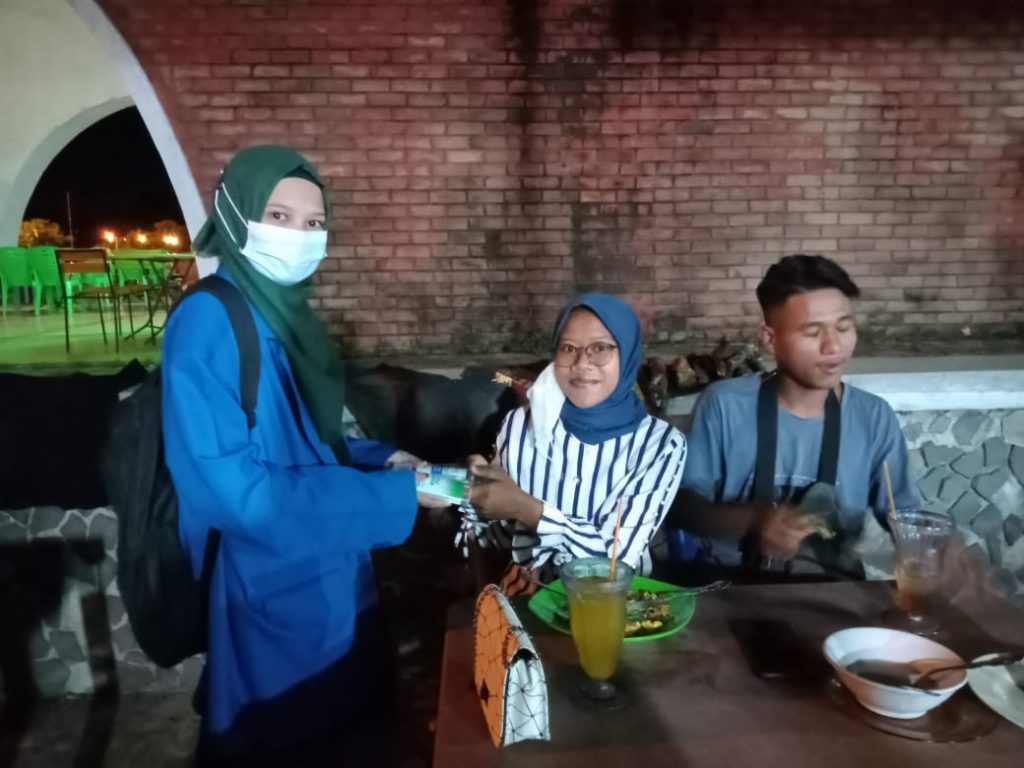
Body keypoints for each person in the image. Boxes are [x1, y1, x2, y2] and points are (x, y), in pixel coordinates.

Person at [161, 145, 441, 765]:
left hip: (334, 571)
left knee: (349, 727)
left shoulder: (286, 318)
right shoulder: (210, 320)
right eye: (279, 216)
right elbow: (236, 495)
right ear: (234, 215)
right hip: (271, 584)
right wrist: (393, 495)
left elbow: (306, 439)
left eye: (314, 223)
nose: (299, 236)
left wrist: (384, 459)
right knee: (284, 735)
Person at [666, 254, 923, 575]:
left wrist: (941, 551)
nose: (833, 346)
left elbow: (907, 517)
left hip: (835, 588)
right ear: (770, 339)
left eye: (844, 327)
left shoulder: (872, 417)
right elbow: (680, 505)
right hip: (729, 586)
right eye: (813, 332)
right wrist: (755, 519)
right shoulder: (725, 405)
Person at [464, 293, 687, 593]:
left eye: (600, 348)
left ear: (628, 355)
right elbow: (498, 538)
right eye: (568, 348)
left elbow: (615, 564)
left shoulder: (660, 445)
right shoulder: (519, 424)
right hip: (524, 601)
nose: (582, 363)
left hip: (613, 607)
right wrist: (475, 497)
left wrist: (528, 509)